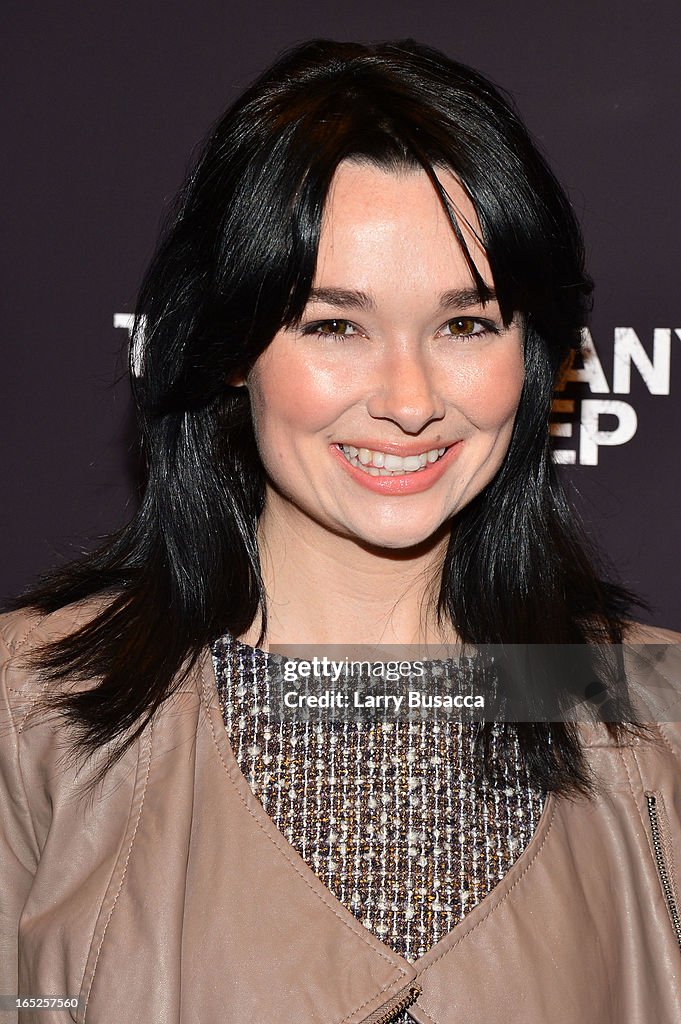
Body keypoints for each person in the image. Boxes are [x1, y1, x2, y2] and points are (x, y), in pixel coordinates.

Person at [1, 38, 680, 1024]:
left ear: (534, 355)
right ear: (234, 347)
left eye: (465, 324)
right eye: (335, 326)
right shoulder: (33, 708)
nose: (409, 401)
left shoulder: (657, 717)